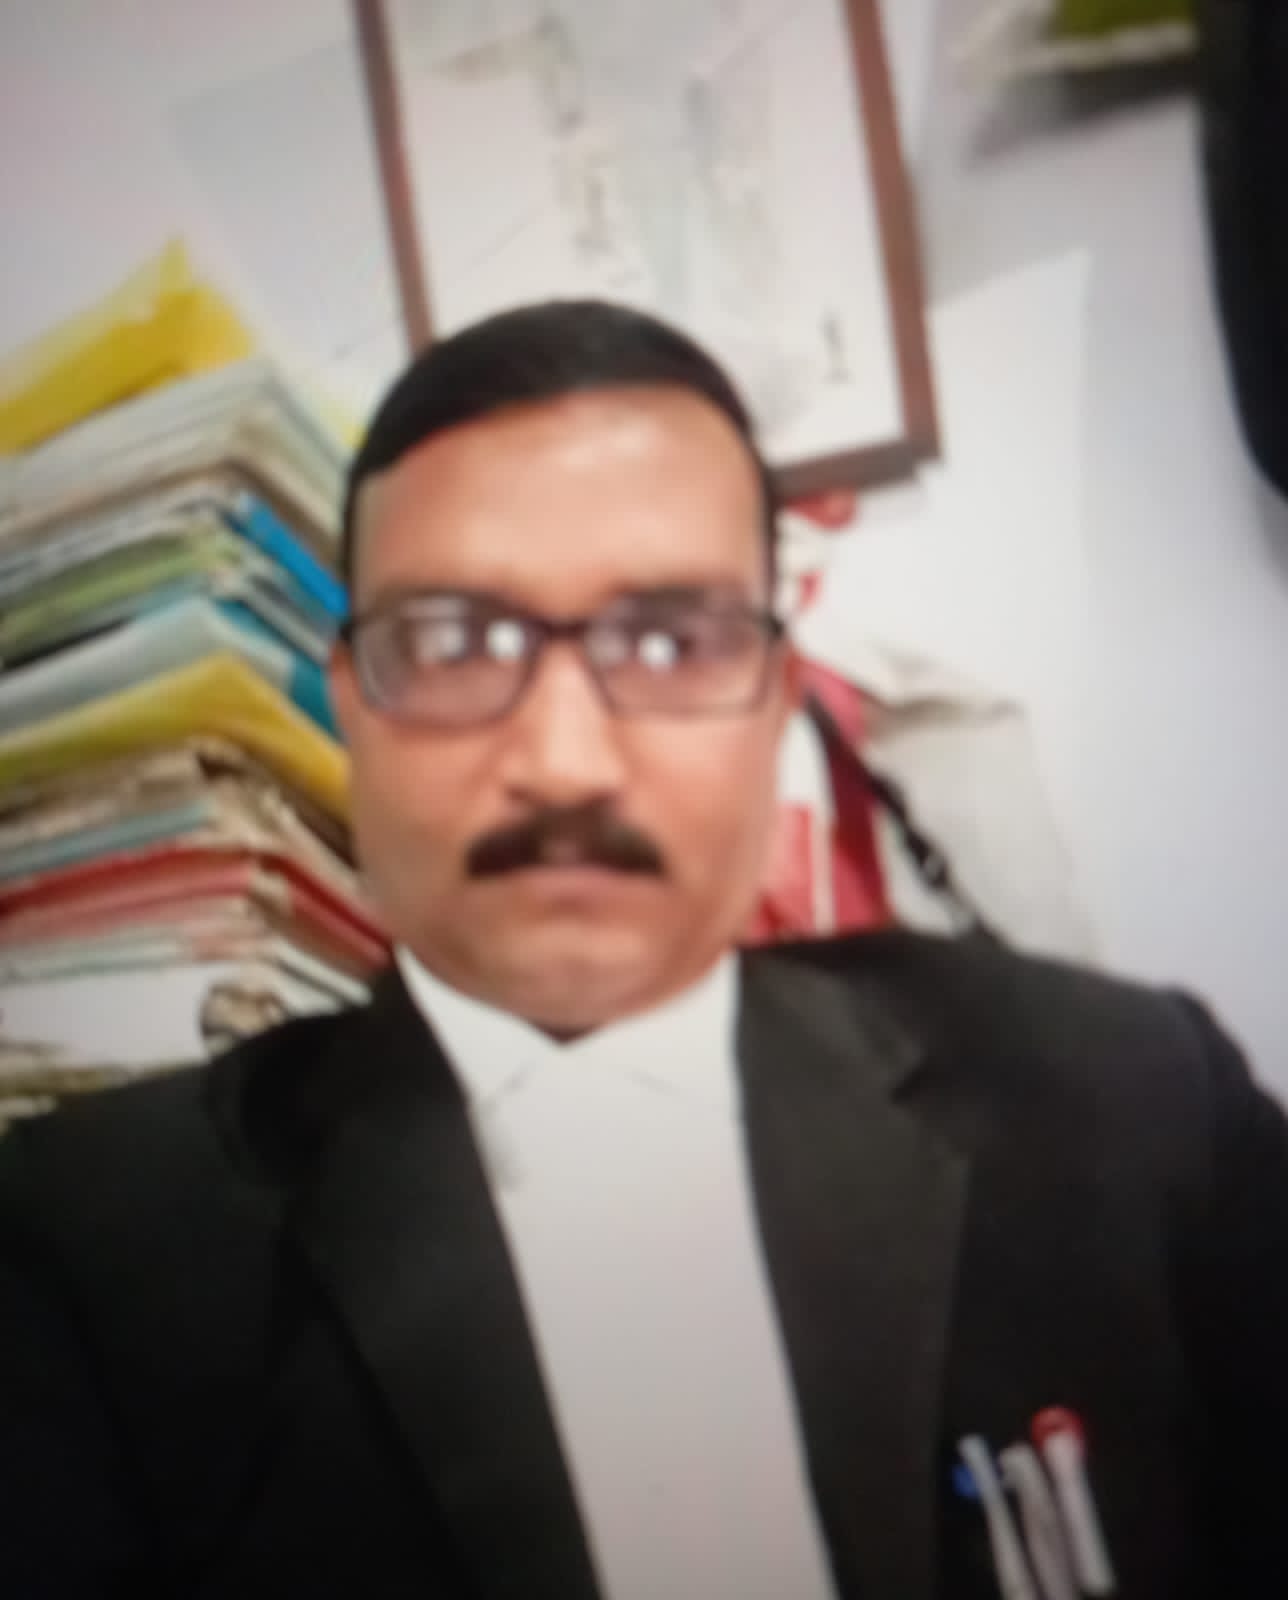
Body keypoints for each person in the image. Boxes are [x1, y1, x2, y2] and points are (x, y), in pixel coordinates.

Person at [1, 301, 1286, 1600]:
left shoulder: (1139, 1109)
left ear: (774, 702)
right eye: (451, 643)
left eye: (671, 641)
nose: (565, 763)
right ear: (353, 712)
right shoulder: (86, 1264)